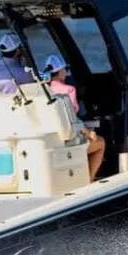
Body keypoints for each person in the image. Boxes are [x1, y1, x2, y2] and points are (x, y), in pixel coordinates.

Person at [44, 54, 106, 183]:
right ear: (61, 71)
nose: (66, 73)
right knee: (100, 142)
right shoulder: (69, 89)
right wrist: (89, 132)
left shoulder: (43, 90)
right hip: (69, 138)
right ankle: (90, 178)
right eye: (65, 70)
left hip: (52, 138)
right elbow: (71, 119)